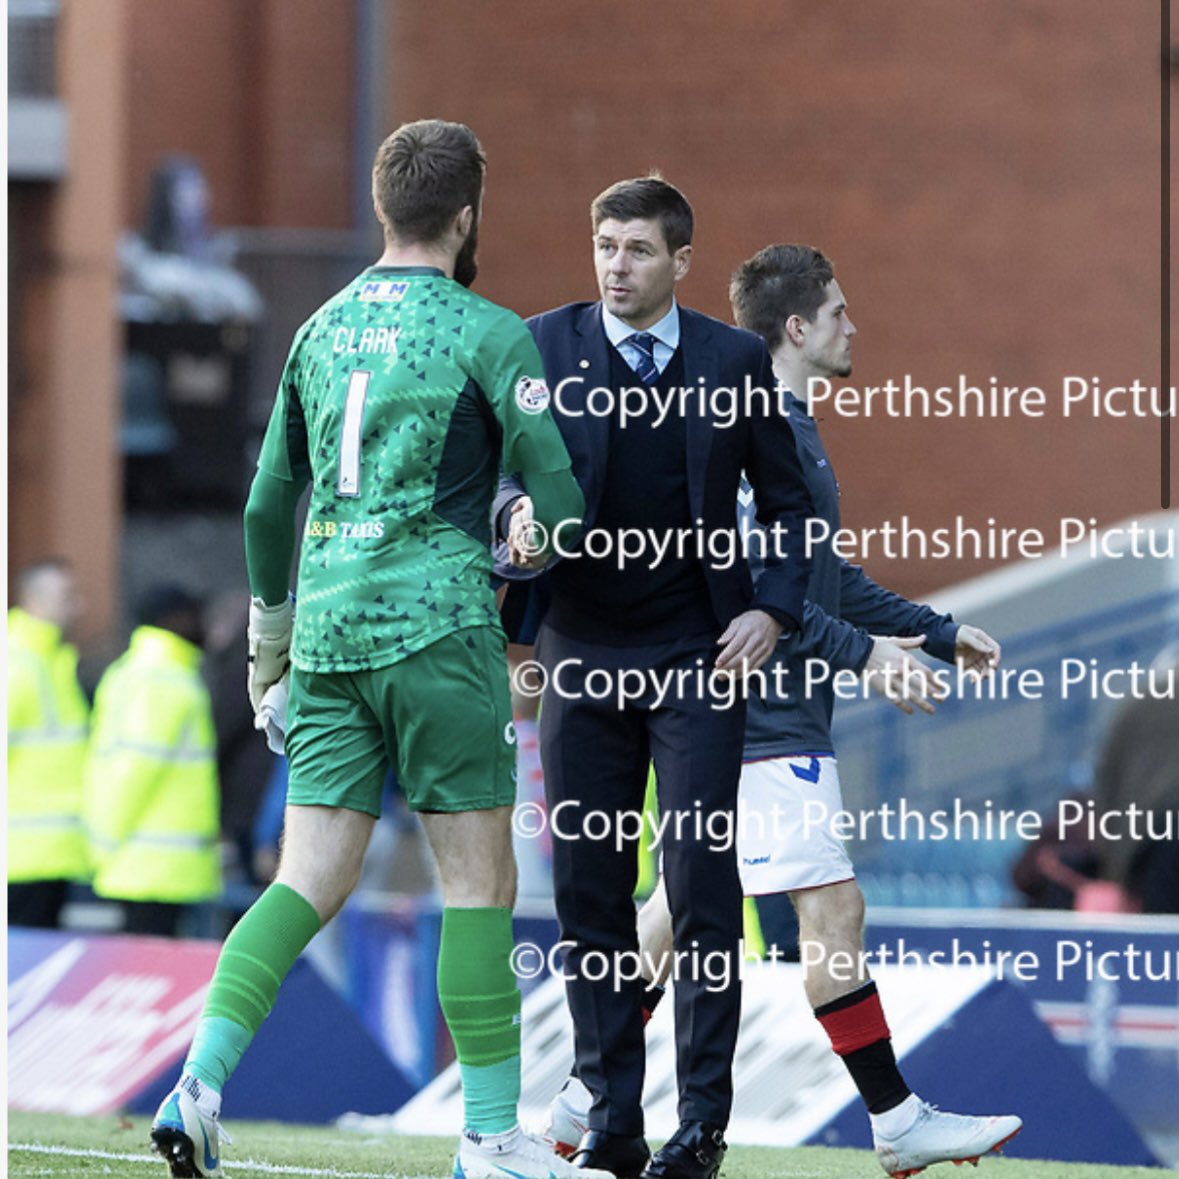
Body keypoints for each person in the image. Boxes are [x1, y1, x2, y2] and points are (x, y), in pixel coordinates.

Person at [150, 119, 604, 1179]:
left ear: (379, 208)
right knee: (477, 886)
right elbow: (565, 504)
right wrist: (532, 531)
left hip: (328, 630)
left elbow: (268, 505)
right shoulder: (491, 333)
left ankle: (198, 1082)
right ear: (466, 214)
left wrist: (269, 644)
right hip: (440, 631)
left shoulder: (318, 328)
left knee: (304, 879)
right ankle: (491, 1139)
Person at [542, 244, 1023, 1179]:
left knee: (670, 920)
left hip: (755, 713)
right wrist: (868, 654)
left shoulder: (782, 423)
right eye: (839, 311)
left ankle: (575, 1102)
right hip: (757, 715)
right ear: (796, 328)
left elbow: (818, 575)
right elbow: (761, 588)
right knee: (830, 909)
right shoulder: (750, 419)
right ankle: (893, 1119)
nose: (853, 326)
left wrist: (930, 628)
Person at [496, 178, 815, 1179]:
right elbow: (497, 470)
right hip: (580, 657)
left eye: (636, 250)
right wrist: (510, 518)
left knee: (698, 887)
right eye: (603, 246)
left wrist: (770, 608)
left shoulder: (731, 361)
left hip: (697, 660)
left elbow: (794, 504)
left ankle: (704, 1127)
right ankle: (614, 1119)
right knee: (588, 893)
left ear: (681, 261)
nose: (614, 267)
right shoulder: (541, 348)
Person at [84, 584, 221, 937]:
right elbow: (135, 769)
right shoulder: (163, 678)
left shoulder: (138, 671)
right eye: (194, 615)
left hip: (145, 862)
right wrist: (104, 843)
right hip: (154, 867)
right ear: (173, 620)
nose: (203, 624)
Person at [7, 558, 90, 928]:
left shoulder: (54, 662)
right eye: (67, 595)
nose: (79, 605)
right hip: (20, 858)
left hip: (53, 853)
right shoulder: (16, 665)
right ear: (34, 601)